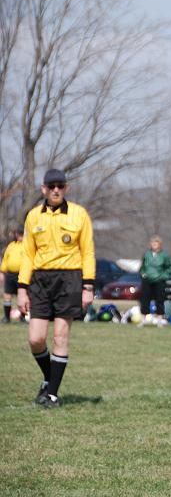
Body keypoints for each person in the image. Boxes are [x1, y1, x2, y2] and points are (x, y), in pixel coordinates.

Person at [17, 169, 95, 408]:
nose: (56, 190)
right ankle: (49, 378)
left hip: (69, 279)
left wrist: (88, 286)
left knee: (60, 335)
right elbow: (28, 254)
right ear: (43, 189)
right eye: (51, 186)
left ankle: (52, 394)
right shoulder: (33, 216)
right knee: (35, 338)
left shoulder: (79, 214)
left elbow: (88, 252)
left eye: (60, 186)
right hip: (40, 281)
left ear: (66, 188)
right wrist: (22, 288)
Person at [139, 235, 171, 326]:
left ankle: (159, 319)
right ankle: (143, 319)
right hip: (147, 280)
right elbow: (142, 267)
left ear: (159, 244)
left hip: (159, 280)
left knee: (159, 299)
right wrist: (143, 274)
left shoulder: (164, 255)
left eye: (156, 242)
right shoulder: (147, 254)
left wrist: (163, 276)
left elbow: (169, 268)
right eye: (152, 242)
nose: (154, 244)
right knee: (145, 299)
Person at [1, 226, 25, 323]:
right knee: (7, 295)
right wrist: (2, 271)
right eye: (18, 234)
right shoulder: (11, 245)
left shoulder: (27, 245)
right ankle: (7, 318)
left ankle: (23, 317)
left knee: (22, 295)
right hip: (10, 274)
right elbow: (5, 259)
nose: (19, 236)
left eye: (21, 234)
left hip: (22, 274)